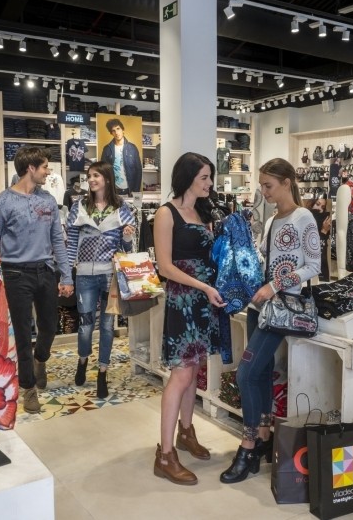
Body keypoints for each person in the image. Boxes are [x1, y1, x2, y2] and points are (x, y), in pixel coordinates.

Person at [221, 158, 321, 484]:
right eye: (262, 185)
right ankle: (263, 435)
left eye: (269, 185)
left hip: (282, 307)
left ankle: (248, 446)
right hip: (259, 306)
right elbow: (265, 260)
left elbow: (314, 265)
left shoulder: (303, 217)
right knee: (261, 372)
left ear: (286, 183)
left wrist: (275, 285)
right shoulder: (272, 220)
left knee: (246, 373)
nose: (263, 191)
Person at [153, 152, 225, 486]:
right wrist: (204, 287)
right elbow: (165, 267)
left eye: (210, 177)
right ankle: (165, 455)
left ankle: (186, 432)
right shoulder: (165, 214)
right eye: (204, 178)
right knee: (181, 374)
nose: (209, 183)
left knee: (194, 370)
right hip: (184, 300)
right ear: (187, 179)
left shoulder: (203, 212)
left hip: (204, 301)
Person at [0, 146, 73, 414]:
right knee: (23, 333)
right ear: (31, 168)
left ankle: (41, 359)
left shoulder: (48, 200)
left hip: (45, 270)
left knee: (49, 327)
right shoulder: (2, 202)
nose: (48, 172)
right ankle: (28, 388)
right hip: (15, 274)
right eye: (45, 167)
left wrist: (66, 275)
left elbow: (57, 240)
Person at [65, 161, 136, 398]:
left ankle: (102, 372)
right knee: (85, 325)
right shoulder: (79, 206)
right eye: (89, 176)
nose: (91, 180)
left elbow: (126, 248)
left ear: (106, 178)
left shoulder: (121, 208)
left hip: (109, 275)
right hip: (84, 275)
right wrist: (67, 272)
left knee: (107, 326)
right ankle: (83, 359)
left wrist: (127, 237)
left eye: (96, 175)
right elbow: (71, 243)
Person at [101, 118, 142, 196]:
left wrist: (136, 190)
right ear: (111, 133)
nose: (116, 133)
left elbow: (138, 170)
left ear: (123, 130)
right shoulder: (107, 149)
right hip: (113, 190)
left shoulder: (132, 148)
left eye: (118, 129)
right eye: (113, 131)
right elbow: (103, 171)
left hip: (129, 190)